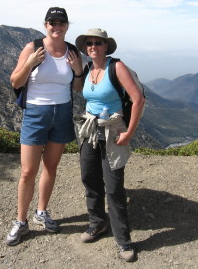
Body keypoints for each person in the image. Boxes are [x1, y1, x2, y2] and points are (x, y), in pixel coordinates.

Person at [6, 7, 83, 246]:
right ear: (45, 24)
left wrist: (79, 71)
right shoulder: (33, 47)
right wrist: (29, 63)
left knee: (51, 166)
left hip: (61, 113)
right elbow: (15, 81)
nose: (56, 26)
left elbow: (78, 88)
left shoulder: (72, 51)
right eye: (52, 22)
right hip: (36, 113)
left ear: (67, 26)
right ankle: (21, 221)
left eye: (61, 22)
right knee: (28, 171)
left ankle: (41, 212)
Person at [73, 28, 145, 262]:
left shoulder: (117, 67)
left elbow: (138, 99)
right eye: (89, 43)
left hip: (113, 130)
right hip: (90, 130)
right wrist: (75, 70)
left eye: (98, 43)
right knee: (89, 177)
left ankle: (123, 239)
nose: (93, 46)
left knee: (114, 187)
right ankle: (97, 223)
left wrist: (129, 133)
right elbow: (80, 90)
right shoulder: (88, 69)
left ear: (106, 46)